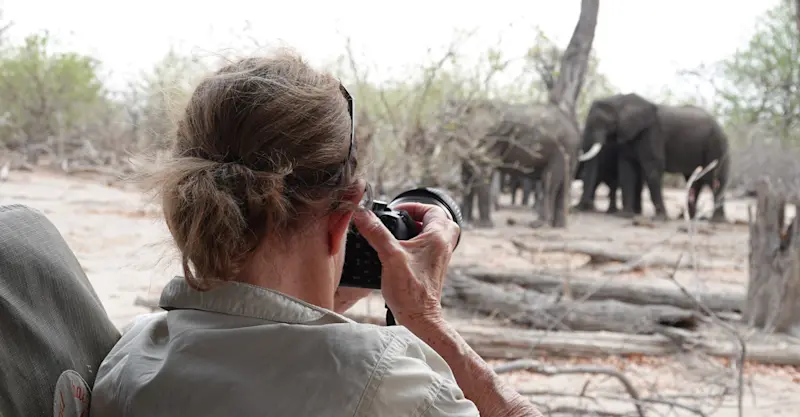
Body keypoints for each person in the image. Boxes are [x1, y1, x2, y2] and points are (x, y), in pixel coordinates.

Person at [89, 48, 542, 417]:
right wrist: (425, 319)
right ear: (347, 213)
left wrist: (320, 301)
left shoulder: (129, 359)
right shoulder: (385, 385)